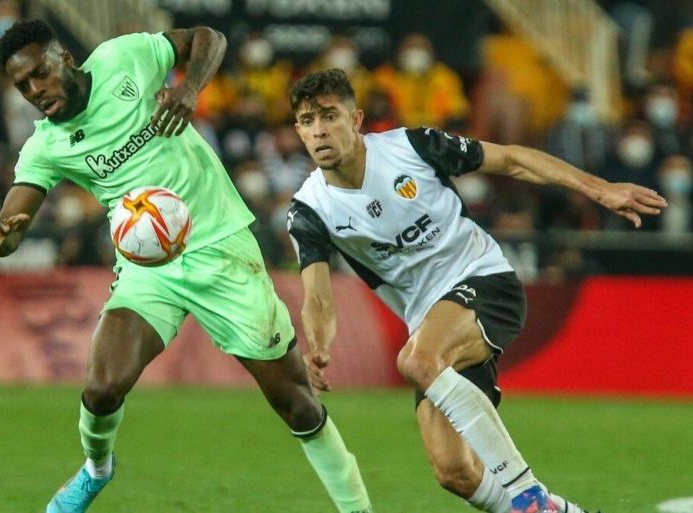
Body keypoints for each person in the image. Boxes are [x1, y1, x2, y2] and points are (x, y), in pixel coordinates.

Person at [0, 21, 372, 513]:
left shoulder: (122, 58)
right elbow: (14, 213)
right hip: (149, 268)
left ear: (64, 58)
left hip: (221, 249)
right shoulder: (47, 145)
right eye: (22, 86)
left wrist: (190, 88)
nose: (35, 91)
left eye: (39, 74)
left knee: (297, 404)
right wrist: (5, 233)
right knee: (102, 388)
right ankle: (95, 470)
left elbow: (209, 37)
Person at [285, 69, 667, 513]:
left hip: (485, 281)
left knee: (416, 359)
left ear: (356, 119)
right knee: (455, 472)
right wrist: (318, 346)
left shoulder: (411, 147)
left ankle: (529, 496)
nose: (319, 130)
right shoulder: (309, 209)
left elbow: (511, 160)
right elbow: (317, 295)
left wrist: (599, 190)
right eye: (308, 121)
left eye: (329, 116)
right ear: (298, 130)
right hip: (431, 322)